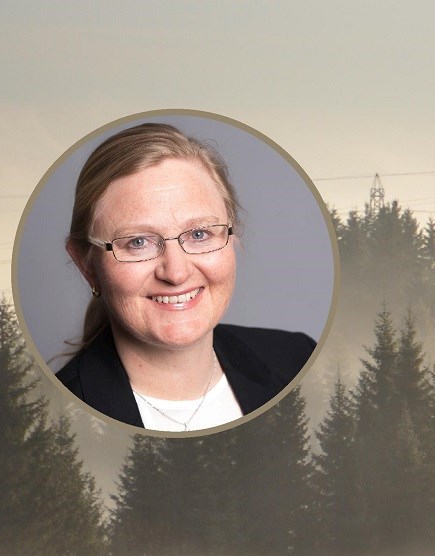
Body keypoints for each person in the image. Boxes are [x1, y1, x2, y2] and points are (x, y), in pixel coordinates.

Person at [53, 122, 315, 432]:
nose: (176, 273)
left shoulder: (298, 359)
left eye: (200, 233)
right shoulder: (58, 418)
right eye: (138, 242)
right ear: (87, 266)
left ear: (233, 238)